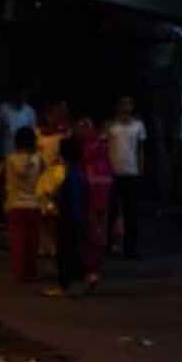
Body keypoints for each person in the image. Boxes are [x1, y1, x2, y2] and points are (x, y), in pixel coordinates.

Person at [44, 137, 88, 297]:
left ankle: (64, 287)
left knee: (64, 253)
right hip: (78, 217)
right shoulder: (79, 172)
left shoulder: (67, 174)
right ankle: (82, 280)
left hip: (67, 217)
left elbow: (63, 197)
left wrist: (54, 198)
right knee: (74, 250)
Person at [107, 95, 146, 259]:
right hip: (113, 173)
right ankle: (109, 245)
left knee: (132, 213)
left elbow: (140, 149)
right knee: (112, 211)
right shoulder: (111, 126)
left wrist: (140, 168)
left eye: (129, 104)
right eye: (123, 104)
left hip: (131, 173)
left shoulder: (138, 126)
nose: (126, 107)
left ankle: (131, 248)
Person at [0, 126, 41, 283]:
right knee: (32, 242)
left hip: (15, 204)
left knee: (18, 241)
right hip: (34, 204)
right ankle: (31, 272)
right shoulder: (38, 159)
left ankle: (19, 273)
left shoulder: (10, 159)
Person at [77, 117, 113, 288]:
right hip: (93, 196)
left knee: (94, 233)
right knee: (94, 233)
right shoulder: (94, 148)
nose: (82, 131)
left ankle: (92, 270)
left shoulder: (93, 149)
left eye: (85, 127)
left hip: (95, 196)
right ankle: (91, 269)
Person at [36, 97, 71, 259]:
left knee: (54, 214)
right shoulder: (38, 132)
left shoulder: (65, 133)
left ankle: (56, 245)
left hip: (58, 176)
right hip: (42, 176)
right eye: (50, 114)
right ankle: (45, 245)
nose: (53, 117)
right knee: (43, 213)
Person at [0, 90, 37, 162]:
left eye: (22, 95)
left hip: (25, 158)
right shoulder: (2, 110)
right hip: (8, 155)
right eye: (18, 94)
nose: (20, 97)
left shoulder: (30, 111)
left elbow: (34, 134)